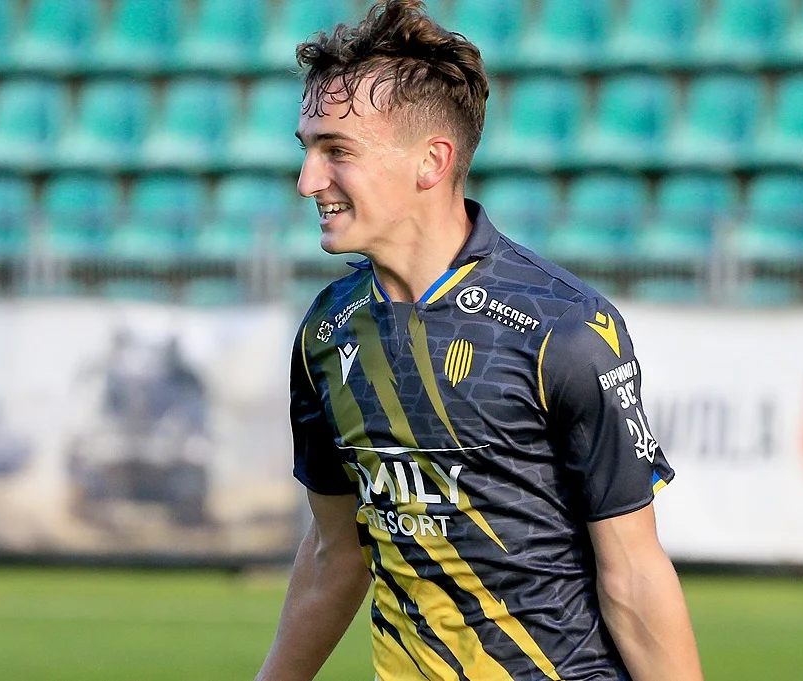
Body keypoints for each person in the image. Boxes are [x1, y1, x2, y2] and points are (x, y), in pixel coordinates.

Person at [257, 2, 703, 679]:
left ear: (431, 161)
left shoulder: (565, 329)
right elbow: (333, 554)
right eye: (307, 149)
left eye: (337, 151)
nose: (307, 181)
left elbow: (633, 572)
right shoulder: (326, 332)